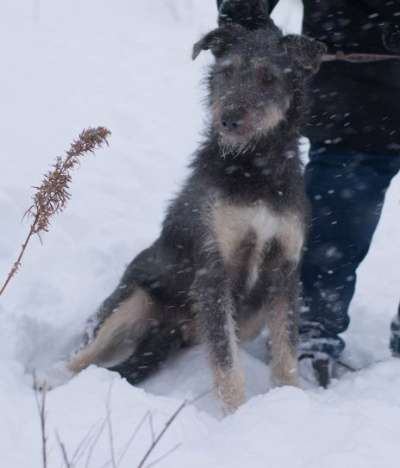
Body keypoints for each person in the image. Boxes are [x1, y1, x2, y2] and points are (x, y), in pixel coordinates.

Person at [216, 0, 400, 385]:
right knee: (333, 229)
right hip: (355, 100)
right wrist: (250, 27)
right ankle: (309, 331)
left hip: (356, 99)